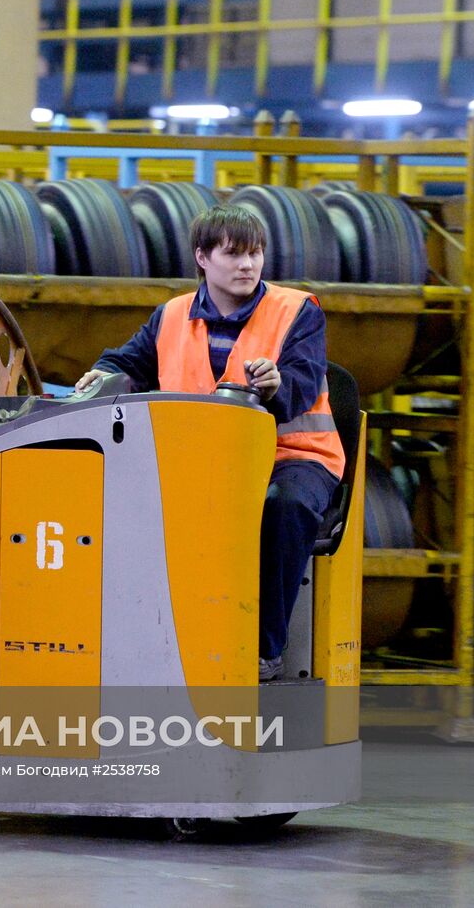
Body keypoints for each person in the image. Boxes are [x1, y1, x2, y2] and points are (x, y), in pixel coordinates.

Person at [75, 204, 345, 681]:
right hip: (203, 462)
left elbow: (304, 381)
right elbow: (126, 362)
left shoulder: (298, 311)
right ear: (202, 257)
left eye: (256, 253)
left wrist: (276, 385)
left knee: (285, 508)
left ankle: (262, 649)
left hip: (294, 457)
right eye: (234, 254)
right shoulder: (173, 316)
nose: (248, 265)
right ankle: (145, 641)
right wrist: (103, 375)